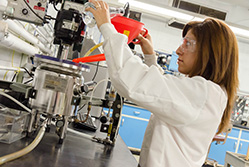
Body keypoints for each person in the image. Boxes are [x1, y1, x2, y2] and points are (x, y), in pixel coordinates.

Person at [86, 1, 239, 166]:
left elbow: (133, 82)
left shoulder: (202, 93)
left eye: (188, 43)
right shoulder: (206, 91)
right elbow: (165, 93)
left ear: (209, 52)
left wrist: (106, 26)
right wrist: (151, 57)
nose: (179, 50)